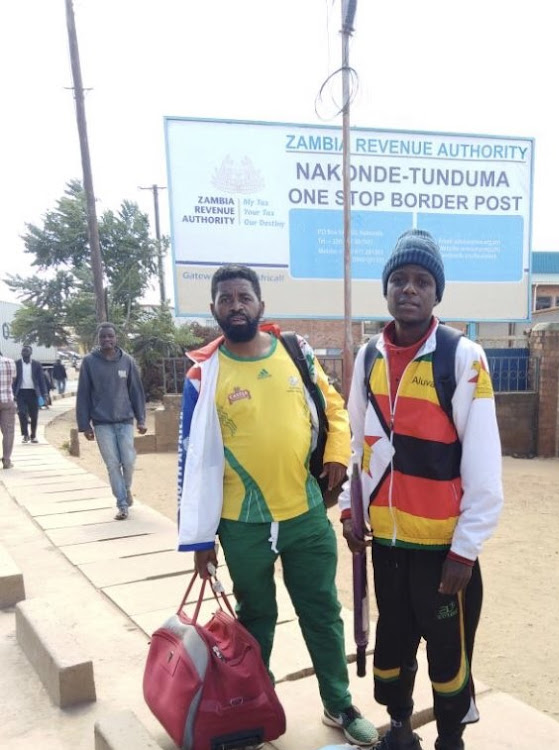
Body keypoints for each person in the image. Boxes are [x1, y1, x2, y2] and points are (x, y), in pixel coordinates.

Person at [177, 264, 379, 748]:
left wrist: (334, 453)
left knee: (322, 610)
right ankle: (253, 706)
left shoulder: (295, 351)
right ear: (214, 311)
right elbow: (191, 459)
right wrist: (200, 539)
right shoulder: (203, 374)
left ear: (260, 305)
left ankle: (339, 703)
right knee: (255, 618)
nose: (235, 305)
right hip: (241, 523)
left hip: (305, 514)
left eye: (244, 296)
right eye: (225, 299)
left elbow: (332, 405)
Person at [338, 229, 504, 750]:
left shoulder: (462, 357)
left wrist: (466, 548)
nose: (409, 289)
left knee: (449, 651)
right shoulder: (368, 357)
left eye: (422, 281)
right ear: (387, 288)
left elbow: (483, 464)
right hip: (386, 544)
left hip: (442, 550)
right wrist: (349, 509)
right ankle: (401, 728)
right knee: (392, 641)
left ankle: (451, 737)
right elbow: (355, 442)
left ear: (437, 294)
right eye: (400, 279)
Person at [76, 323, 147, 520]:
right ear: (98, 340)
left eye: (110, 336)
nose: (107, 340)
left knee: (129, 461)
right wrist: (84, 425)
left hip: (125, 421)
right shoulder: (90, 362)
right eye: (103, 337)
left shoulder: (127, 361)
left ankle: (125, 489)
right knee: (113, 464)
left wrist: (141, 419)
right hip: (102, 423)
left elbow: (136, 392)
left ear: (116, 338)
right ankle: (122, 503)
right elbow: (83, 394)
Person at [12, 345, 48, 444]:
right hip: (21, 393)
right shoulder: (17, 364)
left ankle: (33, 435)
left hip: (33, 393)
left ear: (30, 353)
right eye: (23, 351)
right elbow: (14, 380)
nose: (25, 352)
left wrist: (44, 394)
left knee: (34, 415)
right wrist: (13, 392)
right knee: (22, 413)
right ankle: (25, 435)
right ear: (21, 353)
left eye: (27, 351)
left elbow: (41, 381)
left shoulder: (37, 364)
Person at [0, 349, 16, 468]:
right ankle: (6, 460)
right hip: (7, 400)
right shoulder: (10, 362)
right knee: (8, 431)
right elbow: (13, 379)